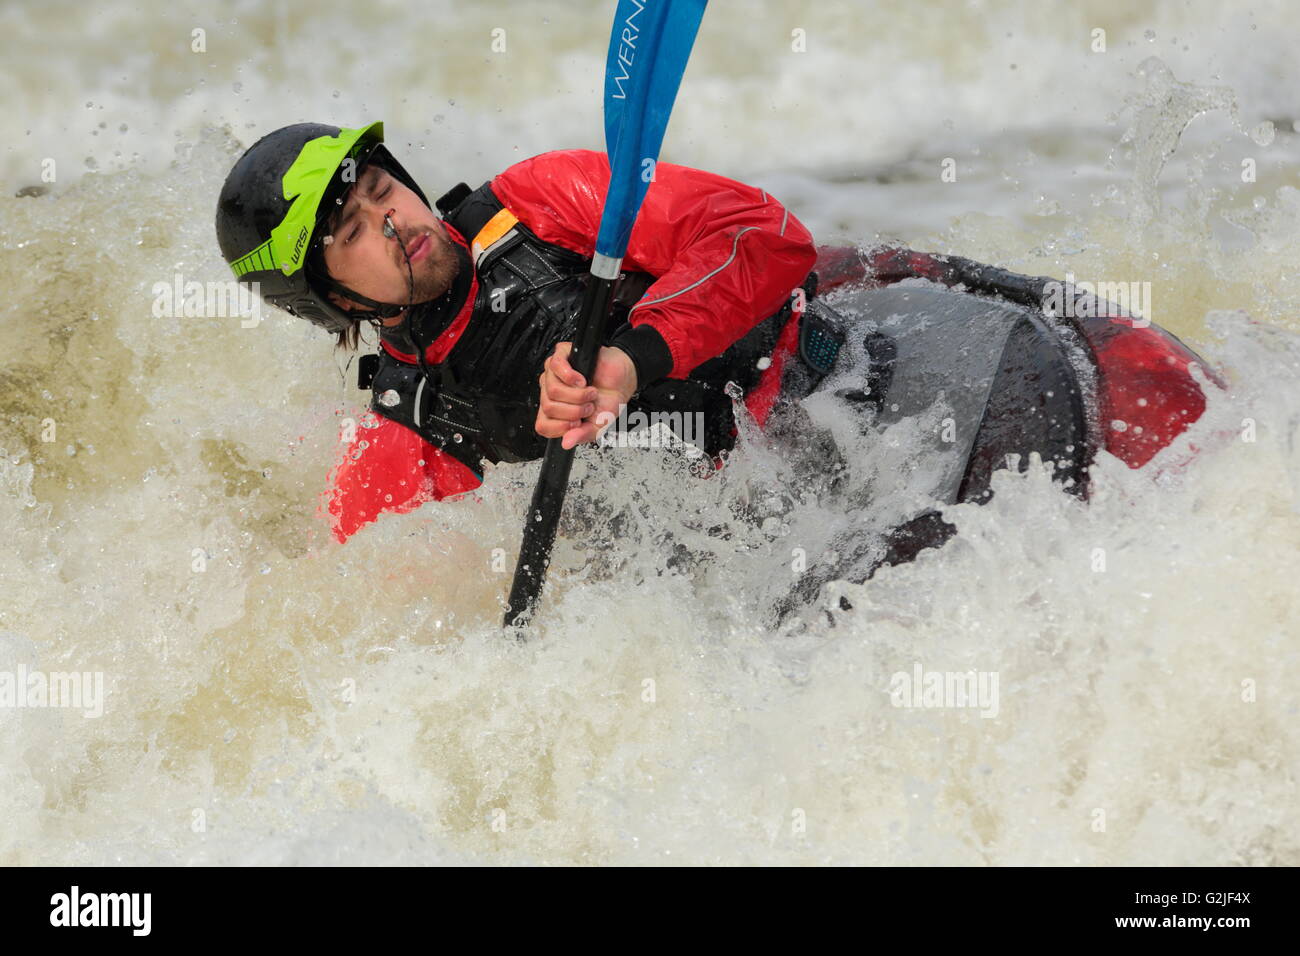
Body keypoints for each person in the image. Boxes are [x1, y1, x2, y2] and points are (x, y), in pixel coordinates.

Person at [215, 121, 1217, 588]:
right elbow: (345, 604)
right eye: (349, 228)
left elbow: (757, 236)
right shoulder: (416, 417)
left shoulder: (546, 204)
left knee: (1168, 438)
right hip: (782, 515)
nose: (389, 222)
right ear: (332, 297)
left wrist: (629, 359)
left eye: (377, 189)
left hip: (883, 383)